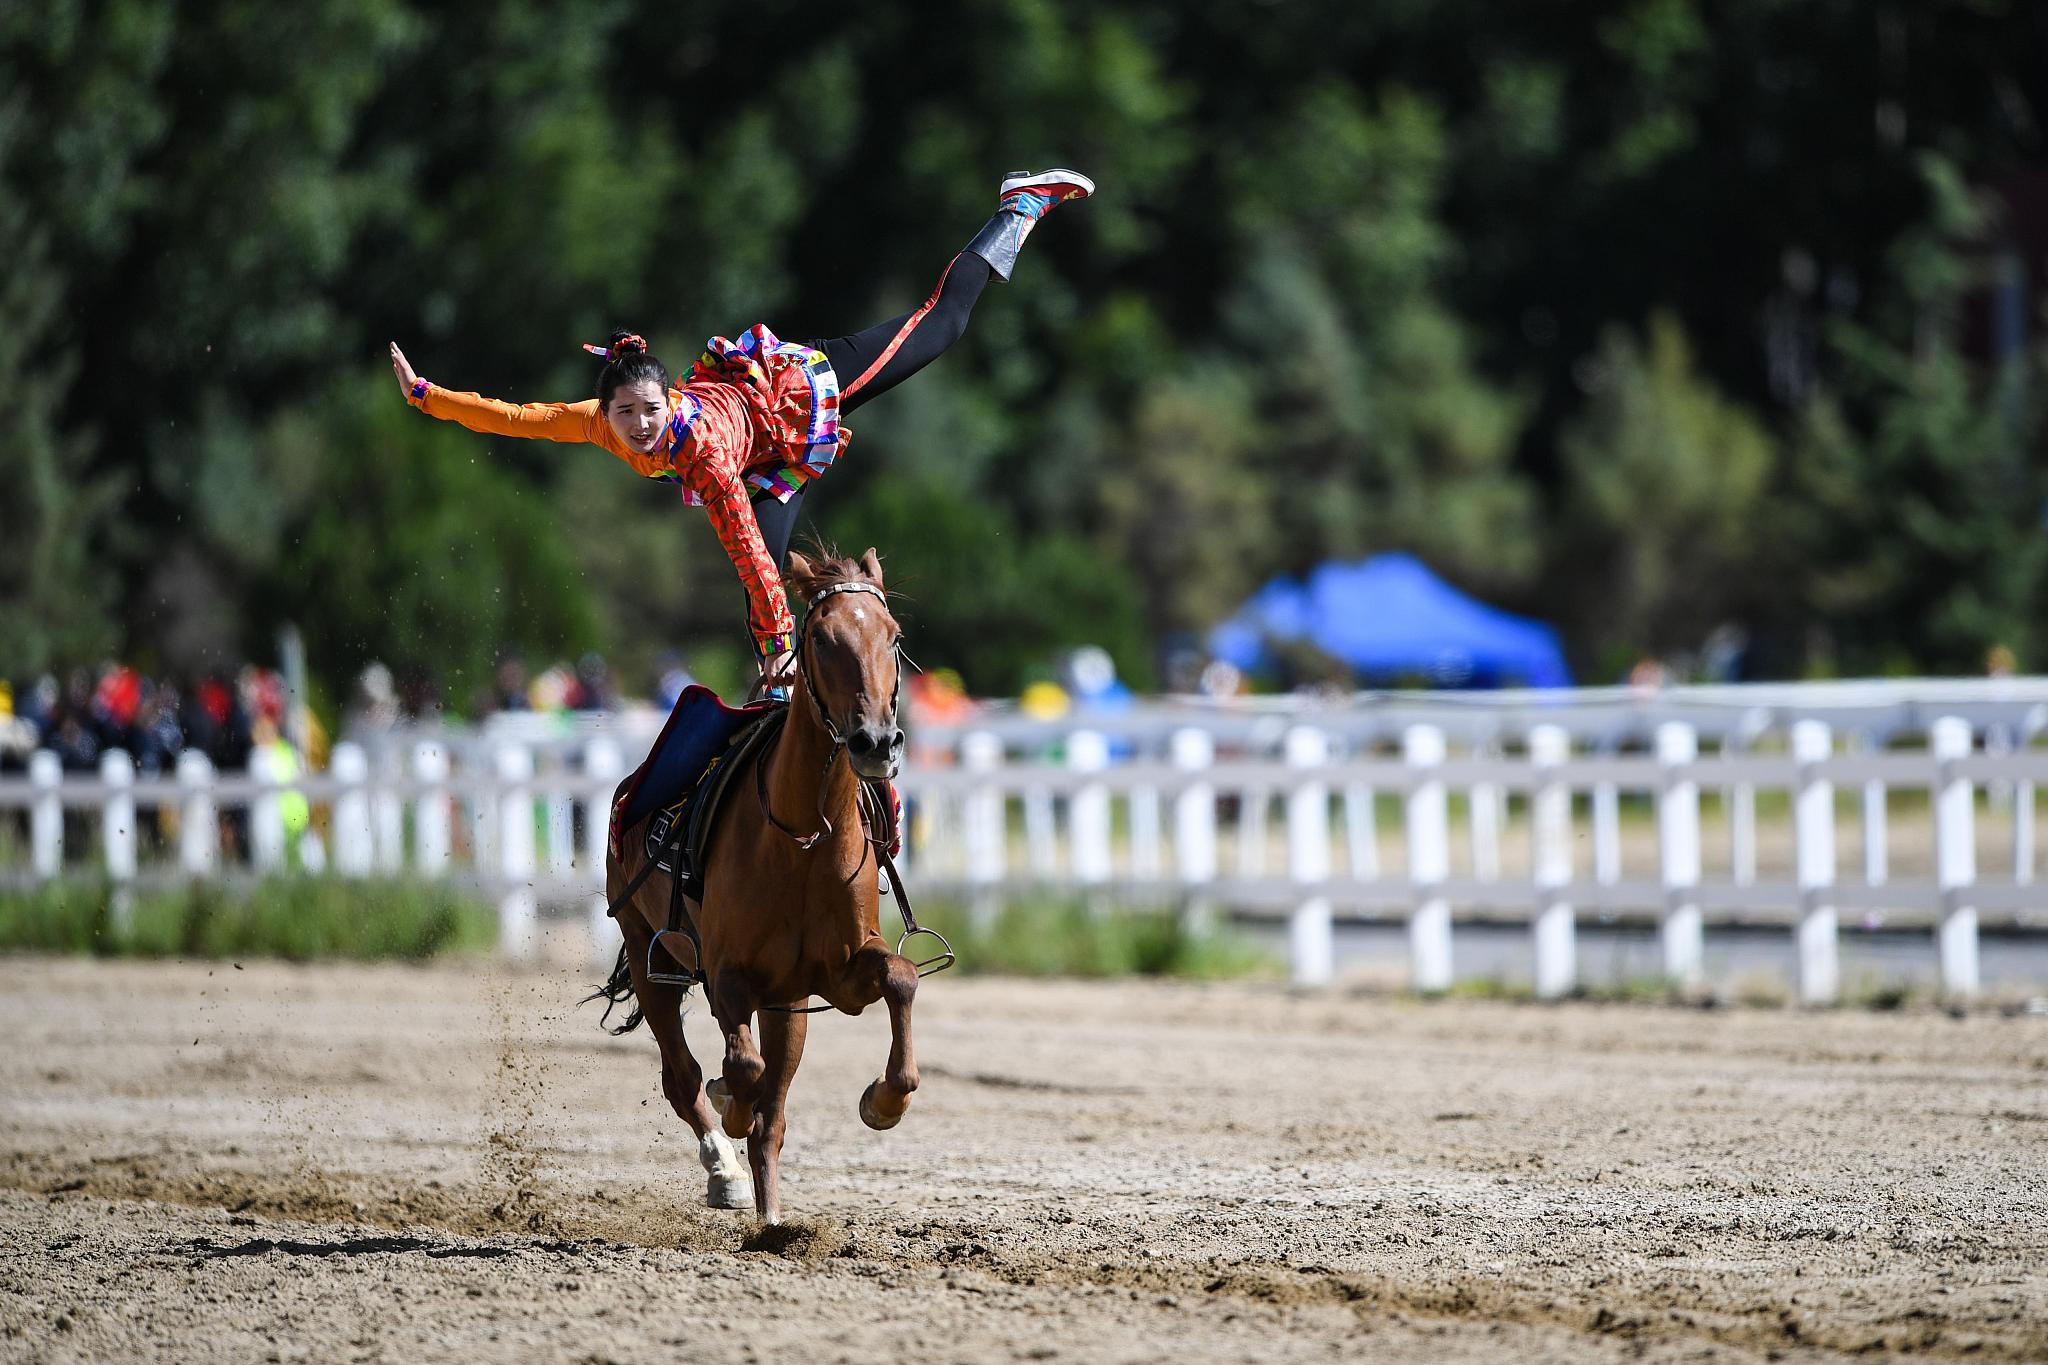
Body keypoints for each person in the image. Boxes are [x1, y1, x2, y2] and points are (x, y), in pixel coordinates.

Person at [389, 169, 1093, 693]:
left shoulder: (700, 448)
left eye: (649, 410)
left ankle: (1017, 205)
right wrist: (426, 396)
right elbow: (514, 418)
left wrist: (773, 641)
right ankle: (796, 699)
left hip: (798, 396)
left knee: (941, 325)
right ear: (604, 413)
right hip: (766, 463)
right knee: (772, 587)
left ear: (668, 398)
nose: (638, 427)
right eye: (625, 414)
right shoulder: (599, 424)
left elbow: (746, 550)